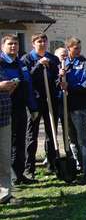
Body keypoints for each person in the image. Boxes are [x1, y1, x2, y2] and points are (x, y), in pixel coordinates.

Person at [0, 35, 38, 184]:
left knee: (20, 142)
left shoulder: (20, 64)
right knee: (5, 145)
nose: (13, 47)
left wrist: (33, 107)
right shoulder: (1, 63)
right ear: (3, 46)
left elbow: (28, 86)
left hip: (20, 108)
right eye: (10, 44)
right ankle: (7, 178)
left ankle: (19, 175)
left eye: (15, 44)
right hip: (4, 109)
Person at [22, 33, 60, 178]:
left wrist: (60, 79)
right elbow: (26, 79)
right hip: (34, 101)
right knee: (32, 136)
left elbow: (56, 78)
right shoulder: (27, 59)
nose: (42, 44)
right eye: (39, 41)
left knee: (52, 134)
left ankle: (52, 165)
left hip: (51, 100)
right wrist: (39, 65)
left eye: (44, 41)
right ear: (33, 44)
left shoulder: (53, 58)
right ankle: (29, 169)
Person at [61, 37, 86, 184]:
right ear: (69, 48)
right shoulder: (62, 63)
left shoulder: (85, 63)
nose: (79, 50)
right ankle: (78, 165)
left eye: (80, 48)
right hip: (64, 105)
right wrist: (59, 78)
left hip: (79, 106)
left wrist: (72, 87)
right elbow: (56, 84)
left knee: (82, 139)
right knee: (71, 139)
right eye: (76, 48)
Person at [0, 59, 19, 204]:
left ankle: (5, 194)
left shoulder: (2, 68)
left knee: (4, 158)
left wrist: (10, 87)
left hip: (4, 118)